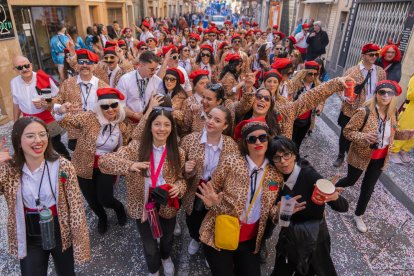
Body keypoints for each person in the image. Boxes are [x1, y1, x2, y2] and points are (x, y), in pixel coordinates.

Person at [196, 117, 304, 276]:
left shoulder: (276, 172)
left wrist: (280, 211)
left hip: (250, 241)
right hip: (219, 234)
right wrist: (211, 203)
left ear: (268, 140)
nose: (258, 142)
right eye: (252, 139)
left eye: (262, 137)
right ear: (246, 143)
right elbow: (212, 190)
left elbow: (271, 210)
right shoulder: (231, 161)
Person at [99, 100, 187, 276]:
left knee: (167, 239)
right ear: (149, 126)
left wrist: (178, 187)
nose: (162, 129)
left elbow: (182, 180)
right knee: (149, 245)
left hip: (166, 204)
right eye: (157, 124)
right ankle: (153, 269)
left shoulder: (179, 153)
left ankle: (166, 257)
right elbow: (104, 162)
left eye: (166, 125)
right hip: (142, 206)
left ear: (172, 128)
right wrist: (130, 165)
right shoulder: (136, 148)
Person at [0, 117, 90, 275]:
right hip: (30, 232)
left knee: (66, 272)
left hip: (59, 228)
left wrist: (80, 243)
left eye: (42, 134)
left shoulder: (63, 166)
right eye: (30, 136)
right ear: (18, 140)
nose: (38, 140)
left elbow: (76, 208)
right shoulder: (10, 169)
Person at [336, 81, 414, 233]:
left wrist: (405, 134)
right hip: (361, 154)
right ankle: (331, 188)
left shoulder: (393, 113)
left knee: (368, 187)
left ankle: (358, 215)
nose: (385, 96)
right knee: (351, 180)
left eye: (389, 93)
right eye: (382, 92)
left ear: (393, 96)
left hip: (381, 156)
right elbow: (348, 131)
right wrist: (364, 137)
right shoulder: (364, 111)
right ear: (376, 94)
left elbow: (392, 134)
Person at [267, 136, 348, 276]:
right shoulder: (273, 178)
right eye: (277, 157)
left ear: (294, 154)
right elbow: (278, 215)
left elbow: (343, 207)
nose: (283, 162)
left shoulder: (309, 175)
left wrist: (334, 196)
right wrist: (281, 213)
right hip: (289, 236)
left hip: (314, 238)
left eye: (286, 155)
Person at [55, 88, 128, 235]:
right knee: (92, 201)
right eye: (105, 106)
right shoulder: (89, 118)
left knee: (105, 198)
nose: (110, 109)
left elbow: (126, 146)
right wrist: (60, 110)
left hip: (107, 165)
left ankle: (119, 208)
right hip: (83, 165)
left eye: (113, 105)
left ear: (118, 105)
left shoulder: (122, 125)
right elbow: (65, 121)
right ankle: (102, 217)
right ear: (99, 107)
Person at [180, 106, 238, 257]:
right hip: (195, 188)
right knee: (193, 219)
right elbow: (176, 171)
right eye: (210, 117)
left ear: (225, 126)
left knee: (213, 219)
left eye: (217, 120)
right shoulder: (189, 140)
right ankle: (195, 238)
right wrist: (185, 169)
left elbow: (234, 174)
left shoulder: (231, 145)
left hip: (216, 191)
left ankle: (209, 248)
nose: (211, 121)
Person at [333, 43, 386, 167]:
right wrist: (345, 98)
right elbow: (339, 88)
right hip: (351, 109)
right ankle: (341, 155)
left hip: (370, 110)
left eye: (376, 54)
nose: (374, 57)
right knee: (345, 133)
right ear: (363, 55)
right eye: (371, 54)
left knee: (362, 134)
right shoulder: (351, 71)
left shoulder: (380, 72)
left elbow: (383, 89)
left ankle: (354, 156)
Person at [11, 55, 70, 160]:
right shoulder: (14, 83)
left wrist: (46, 103)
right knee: (35, 147)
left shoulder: (43, 78)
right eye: (20, 67)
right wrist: (15, 122)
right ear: (15, 70)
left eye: (26, 65)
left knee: (55, 145)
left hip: (47, 119)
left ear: (31, 65)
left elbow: (57, 97)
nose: (24, 69)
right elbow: (16, 103)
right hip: (27, 121)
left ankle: (67, 162)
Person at [52, 49, 109, 151]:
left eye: (88, 62)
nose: (84, 65)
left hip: (98, 134)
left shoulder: (103, 86)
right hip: (76, 135)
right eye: (81, 62)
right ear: (77, 64)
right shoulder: (67, 83)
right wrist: (60, 109)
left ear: (94, 65)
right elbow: (56, 101)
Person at [116, 51, 163, 139]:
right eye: (151, 69)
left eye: (156, 69)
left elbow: (161, 105)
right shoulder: (125, 80)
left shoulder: (158, 81)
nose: (154, 72)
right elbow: (119, 105)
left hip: (150, 124)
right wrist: (134, 115)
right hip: (129, 124)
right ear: (140, 65)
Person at [291, 61, 322, 150]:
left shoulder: (317, 85)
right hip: (294, 117)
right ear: (304, 73)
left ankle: (296, 154)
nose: (313, 76)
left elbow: (322, 99)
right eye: (310, 74)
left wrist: (320, 106)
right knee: (291, 139)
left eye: (315, 74)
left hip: (308, 118)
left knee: (300, 139)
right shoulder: (295, 83)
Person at [389, 75, 414, 164]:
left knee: (413, 135)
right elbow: (410, 95)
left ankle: (404, 150)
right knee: (404, 128)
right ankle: (393, 151)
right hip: (411, 110)